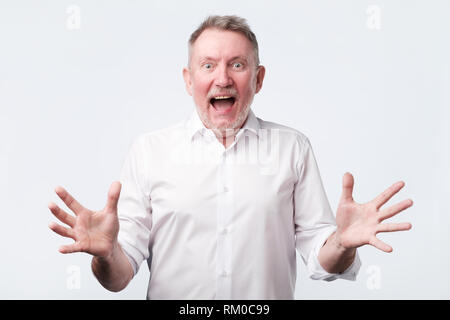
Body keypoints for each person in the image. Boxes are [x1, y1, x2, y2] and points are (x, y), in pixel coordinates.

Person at [48, 15, 413, 299]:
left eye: (237, 65)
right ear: (189, 80)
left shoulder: (293, 148)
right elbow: (119, 274)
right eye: (208, 66)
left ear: (258, 79)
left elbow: (322, 257)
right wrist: (105, 255)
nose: (222, 78)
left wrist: (343, 244)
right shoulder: (149, 152)